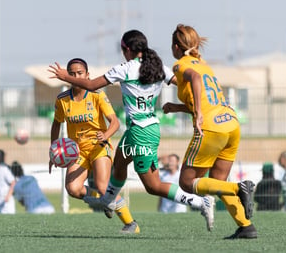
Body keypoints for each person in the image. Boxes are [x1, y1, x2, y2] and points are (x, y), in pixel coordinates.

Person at [48, 30, 214, 232]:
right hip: (140, 129)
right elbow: (184, 82)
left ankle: (199, 202)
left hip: (142, 133)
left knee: (153, 186)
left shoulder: (125, 69)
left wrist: (65, 77)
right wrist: (192, 104)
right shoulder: (159, 66)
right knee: (119, 164)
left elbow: (92, 85)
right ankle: (109, 201)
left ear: (126, 49)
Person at [161, 24, 257, 239]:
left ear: (176, 46)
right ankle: (246, 227)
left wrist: (197, 114)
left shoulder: (180, 65)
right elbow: (206, 99)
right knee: (217, 182)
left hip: (211, 128)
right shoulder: (205, 65)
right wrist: (177, 107)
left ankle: (239, 188)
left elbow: (194, 80)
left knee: (186, 183)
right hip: (230, 124)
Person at [49, 58, 139, 233]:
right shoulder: (62, 100)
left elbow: (115, 122)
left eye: (80, 73)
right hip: (77, 151)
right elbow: (56, 124)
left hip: (99, 147)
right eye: (72, 73)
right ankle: (105, 201)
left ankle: (131, 224)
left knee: (103, 186)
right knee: (73, 189)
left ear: (87, 75)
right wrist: (53, 151)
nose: (76, 76)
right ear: (67, 75)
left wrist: (105, 135)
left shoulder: (97, 95)